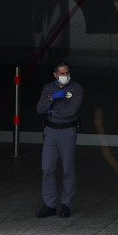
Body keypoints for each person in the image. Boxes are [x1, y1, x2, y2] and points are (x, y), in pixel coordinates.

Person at [35, 61, 84, 218]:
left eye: (67, 73)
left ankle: (65, 204)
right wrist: (51, 99)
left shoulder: (76, 88)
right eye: (62, 73)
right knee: (47, 168)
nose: (65, 76)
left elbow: (71, 111)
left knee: (68, 170)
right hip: (50, 132)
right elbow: (39, 109)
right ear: (55, 75)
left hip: (67, 131)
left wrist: (51, 110)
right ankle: (49, 205)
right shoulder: (48, 88)